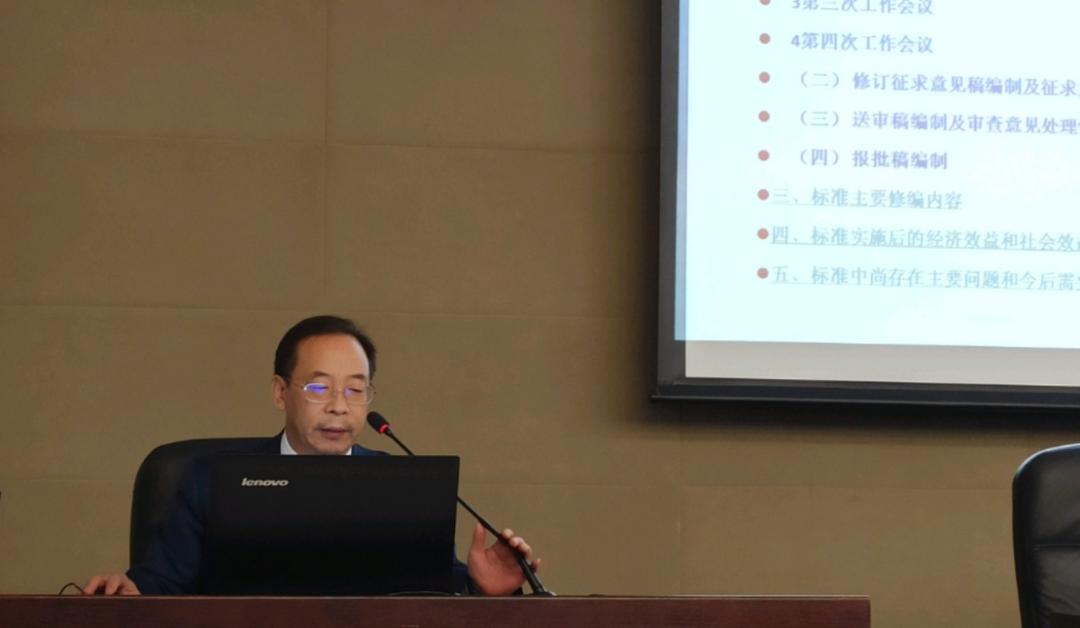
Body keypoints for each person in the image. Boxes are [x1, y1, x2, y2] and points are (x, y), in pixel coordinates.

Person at [84, 315, 539, 595]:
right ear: (280, 392)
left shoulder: (399, 485)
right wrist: (130, 590)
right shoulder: (211, 479)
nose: (339, 406)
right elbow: (162, 583)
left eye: (356, 390)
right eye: (319, 388)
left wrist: (479, 585)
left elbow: (433, 590)